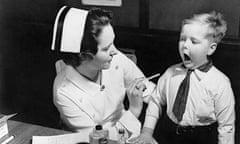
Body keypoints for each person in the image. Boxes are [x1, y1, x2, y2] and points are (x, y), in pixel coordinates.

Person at [51, 6, 155, 141]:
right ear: (84, 56)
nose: (115, 51)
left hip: (128, 131)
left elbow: (151, 92)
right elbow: (99, 139)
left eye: (113, 43)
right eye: (106, 48)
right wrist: (134, 110)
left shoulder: (114, 59)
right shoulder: (64, 92)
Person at [130, 11, 235, 144]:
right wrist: (147, 132)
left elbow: (226, 127)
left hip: (202, 138)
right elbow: (156, 102)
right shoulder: (170, 73)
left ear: (211, 48)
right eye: (183, 39)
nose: (185, 45)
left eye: (194, 41)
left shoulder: (220, 83)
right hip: (168, 134)